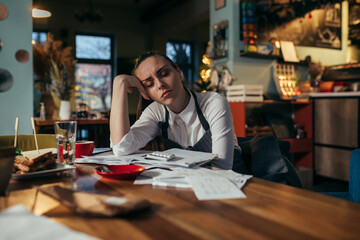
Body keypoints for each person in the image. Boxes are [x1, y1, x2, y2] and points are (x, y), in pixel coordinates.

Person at [110, 51, 244, 170]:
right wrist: (119, 84)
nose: (160, 84)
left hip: (232, 182)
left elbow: (222, 168)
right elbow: (122, 148)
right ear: (146, 93)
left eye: (164, 74)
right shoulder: (156, 111)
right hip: (188, 183)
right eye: (149, 84)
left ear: (178, 72)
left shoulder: (213, 102)